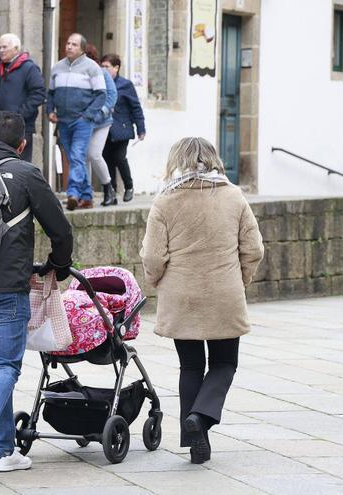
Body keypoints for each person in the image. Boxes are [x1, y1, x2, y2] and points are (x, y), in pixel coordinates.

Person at [0, 111, 73, 484]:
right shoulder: (25, 173)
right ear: (22, 144)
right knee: (8, 366)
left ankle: (6, 453)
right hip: (7, 286)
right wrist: (60, 265)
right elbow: (60, 228)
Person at [140, 137, 263, 465]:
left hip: (182, 296)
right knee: (224, 363)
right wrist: (241, 280)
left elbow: (153, 256)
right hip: (224, 292)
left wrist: (157, 282)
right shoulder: (233, 196)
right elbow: (254, 249)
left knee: (191, 365)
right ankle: (201, 416)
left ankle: (196, 441)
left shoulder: (165, 201)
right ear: (212, 159)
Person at [46, 33, 106, 210]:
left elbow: (101, 94)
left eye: (74, 44)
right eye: (68, 43)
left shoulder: (92, 67)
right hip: (63, 120)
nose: (69, 47)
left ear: (82, 49)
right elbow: (50, 93)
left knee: (78, 155)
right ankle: (87, 196)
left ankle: (72, 193)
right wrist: (50, 111)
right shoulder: (57, 67)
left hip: (82, 121)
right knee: (74, 158)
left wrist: (88, 115)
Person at [0, 33, 46, 163]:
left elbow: (39, 93)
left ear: (16, 49)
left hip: (21, 126)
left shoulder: (29, 68)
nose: (1, 51)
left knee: (19, 165)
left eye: (4, 47)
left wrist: (20, 115)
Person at [101, 54, 145, 203]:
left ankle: (129, 186)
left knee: (119, 158)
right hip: (104, 129)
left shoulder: (125, 85)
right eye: (102, 66)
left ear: (116, 68)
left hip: (122, 129)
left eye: (107, 66)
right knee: (107, 160)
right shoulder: (99, 83)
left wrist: (141, 129)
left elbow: (136, 108)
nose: (103, 69)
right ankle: (111, 193)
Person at [82, 43, 118, 206]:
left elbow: (112, 95)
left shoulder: (103, 73)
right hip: (84, 121)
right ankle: (86, 193)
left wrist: (100, 112)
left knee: (94, 154)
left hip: (102, 122)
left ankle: (108, 188)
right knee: (83, 158)